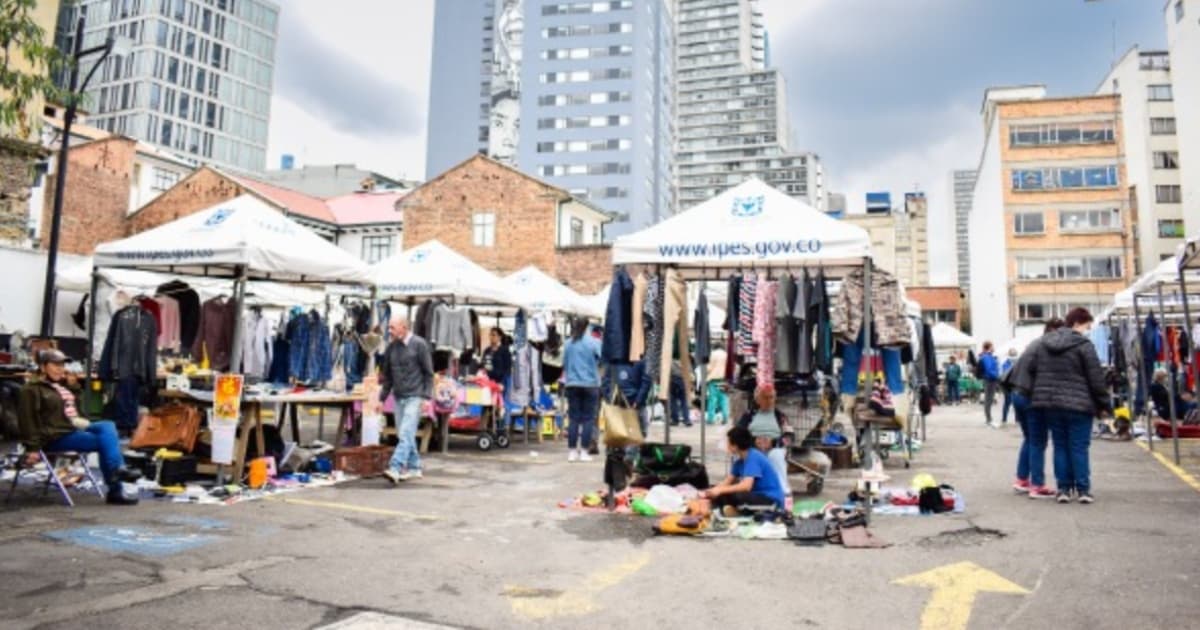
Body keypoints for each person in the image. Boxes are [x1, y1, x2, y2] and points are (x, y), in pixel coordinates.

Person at [17, 350, 141, 505]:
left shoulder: (59, 386)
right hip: (54, 435)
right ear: (42, 367)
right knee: (106, 441)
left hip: (72, 428)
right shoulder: (31, 389)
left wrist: (74, 387)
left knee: (108, 427)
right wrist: (32, 448)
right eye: (55, 365)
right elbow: (27, 420)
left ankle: (117, 475)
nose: (60, 369)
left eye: (62, 365)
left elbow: (76, 412)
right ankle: (116, 483)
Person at [1028, 308, 1109, 504]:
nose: (1087, 330)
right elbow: (1096, 378)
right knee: (1079, 447)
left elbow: (1032, 369)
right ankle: (1082, 490)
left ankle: (1063, 489)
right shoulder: (1084, 345)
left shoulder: (1044, 343)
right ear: (1077, 323)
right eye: (1087, 326)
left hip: (1051, 403)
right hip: (1080, 404)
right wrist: (1104, 404)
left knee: (1060, 446)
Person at [1007, 318, 1064, 498]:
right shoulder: (1046, 347)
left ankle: (1022, 479)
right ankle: (1037, 485)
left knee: (1030, 438)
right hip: (1031, 397)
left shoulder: (1034, 343)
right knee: (1038, 440)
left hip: (1018, 394)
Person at [380, 317, 434, 484]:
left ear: (404, 328)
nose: (389, 331)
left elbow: (428, 373)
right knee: (406, 434)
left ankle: (395, 467)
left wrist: (426, 397)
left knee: (404, 433)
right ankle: (414, 467)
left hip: (415, 396)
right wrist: (381, 398)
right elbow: (388, 376)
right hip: (399, 397)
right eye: (389, 327)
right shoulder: (391, 348)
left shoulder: (419, 344)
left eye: (392, 327)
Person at [701, 426, 787, 516]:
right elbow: (727, 482)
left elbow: (746, 486)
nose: (727, 446)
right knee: (721, 495)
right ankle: (733, 510)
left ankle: (737, 511)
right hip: (756, 497)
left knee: (738, 496)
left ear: (735, 446)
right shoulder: (739, 461)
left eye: (728, 443)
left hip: (772, 500)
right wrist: (709, 492)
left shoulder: (753, 457)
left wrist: (720, 490)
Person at [563, 318, 602, 462]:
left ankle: (572, 451)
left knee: (573, 419)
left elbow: (564, 363)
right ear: (588, 327)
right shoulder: (593, 342)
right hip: (590, 384)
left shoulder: (568, 343)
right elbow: (602, 358)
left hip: (572, 384)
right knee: (587, 419)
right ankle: (584, 451)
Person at [979, 342, 1001, 427]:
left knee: (989, 399)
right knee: (988, 399)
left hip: (990, 379)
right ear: (989, 347)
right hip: (990, 380)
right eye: (992, 346)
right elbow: (989, 369)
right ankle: (988, 419)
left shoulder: (989, 356)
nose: (994, 347)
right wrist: (997, 376)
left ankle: (989, 418)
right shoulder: (987, 357)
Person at [1000, 348, 1018, 425]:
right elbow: (1004, 375)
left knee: (1016, 403)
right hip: (1007, 386)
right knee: (1007, 402)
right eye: (1012, 354)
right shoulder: (1005, 363)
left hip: (1015, 385)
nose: (1013, 356)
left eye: (1014, 354)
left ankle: (1017, 419)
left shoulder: (1018, 362)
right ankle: (1004, 419)